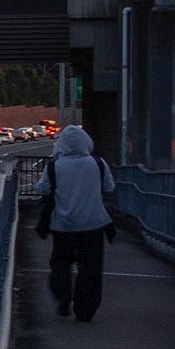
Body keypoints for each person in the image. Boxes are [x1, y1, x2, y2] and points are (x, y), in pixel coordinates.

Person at [36, 125, 115, 321]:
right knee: (91, 269)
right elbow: (109, 187)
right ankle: (85, 309)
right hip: (93, 225)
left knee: (60, 264)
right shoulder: (97, 164)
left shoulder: (55, 166)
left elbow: (43, 189)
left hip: (63, 225)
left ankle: (63, 296)